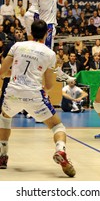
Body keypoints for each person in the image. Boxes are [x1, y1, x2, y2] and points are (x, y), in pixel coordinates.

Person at [0, 20, 75, 177]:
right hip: (34, 96)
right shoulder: (50, 54)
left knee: (5, 118)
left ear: (30, 32)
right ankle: (60, 150)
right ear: (47, 34)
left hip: (12, 92)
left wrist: (14, 76)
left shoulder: (17, 46)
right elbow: (48, 85)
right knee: (57, 127)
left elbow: (2, 73)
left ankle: (3, 156)